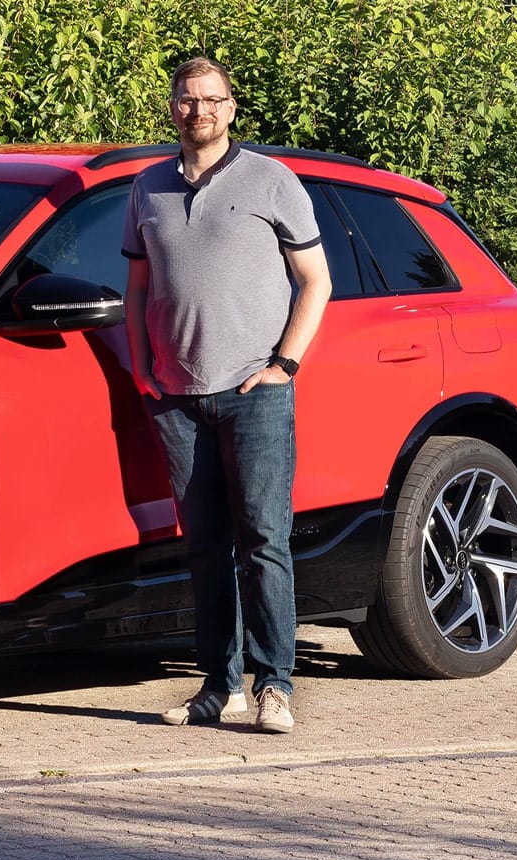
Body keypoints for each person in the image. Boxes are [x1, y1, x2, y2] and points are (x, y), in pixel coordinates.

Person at [122, 56, 332, 734]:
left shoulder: (271, 180)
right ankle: (220, 686)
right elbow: (137, 287)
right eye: (188, 99)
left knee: (263, 539)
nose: (199, 111)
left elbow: (316, 280)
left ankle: (274, 686)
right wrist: (143, 366)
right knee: (205, 547)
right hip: (177, 396)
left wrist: (285, 365)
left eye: (212, 99)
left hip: (253, 392)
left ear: (231, 108)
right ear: (173, 107)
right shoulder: (147, 188)